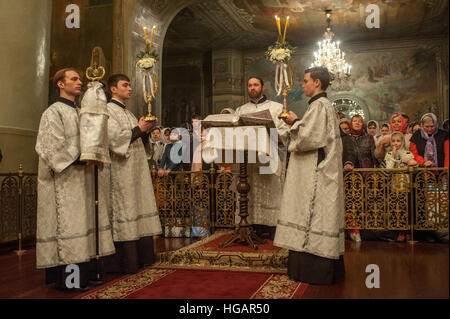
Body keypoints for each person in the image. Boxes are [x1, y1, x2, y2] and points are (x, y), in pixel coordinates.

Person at [35, 68, 115, 291]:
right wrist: (82, 157)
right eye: (74, 79)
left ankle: (85, 276)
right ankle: (71, 282)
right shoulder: (53, 112)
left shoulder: (82, 111)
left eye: (79, 78)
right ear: (60, 84)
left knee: (85, 226)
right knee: (70, 230)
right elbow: (49, 147)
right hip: (65, 182)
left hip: (84, 180)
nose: (80, 82)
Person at [274, 67, 345, 285]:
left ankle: (312, 272)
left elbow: (308, 139)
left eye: (305, 81)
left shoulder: (319, 106)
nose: (302, 85)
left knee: (312, 216)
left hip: (317, 175)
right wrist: (295, 125)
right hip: (320, 170)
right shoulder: (321, 106)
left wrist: (295, 122)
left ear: (316, 83)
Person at [101, 74, 162, 274]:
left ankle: (143, 258)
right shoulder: (108, 111)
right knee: (126, 210)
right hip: (121, 171)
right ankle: (127, 262)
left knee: (139, 206)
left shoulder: (128, 113)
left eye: (129, 85)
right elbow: (114, 140)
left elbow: (137, 141)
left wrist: (143, 132)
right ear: (113, 89)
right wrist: (139, 128)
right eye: (125, 85)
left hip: (136, 170)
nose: (129, 89)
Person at [234, 76, 290, 240]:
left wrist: (268, 134)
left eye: (256, 85)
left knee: (270, 191)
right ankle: (252, 225)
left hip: (268, 158)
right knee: (250, 191)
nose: (252, 88)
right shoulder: (241, 110)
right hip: (248, 160)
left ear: (262, 87)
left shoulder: (277, 108)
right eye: (250, 85)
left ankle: (272, 226)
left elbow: (285, 132)